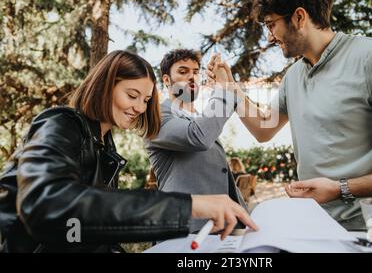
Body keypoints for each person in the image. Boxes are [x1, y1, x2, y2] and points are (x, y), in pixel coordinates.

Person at [207, 0, 372, 230]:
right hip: (315, 229)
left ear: (299, 17)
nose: (269, 37)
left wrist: (341, 189)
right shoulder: (294, 76)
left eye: (271, 24)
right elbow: (264, 128)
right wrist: (231, 88)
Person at [0, 50, 257, 253]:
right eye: (132, 95)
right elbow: (48, 204)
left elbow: (94, 227)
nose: (139, 107)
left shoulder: (106, 147)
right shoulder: (60, 123)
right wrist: (189, 206)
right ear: (104, 85)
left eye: (145, 100)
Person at [145, 49, 248, 233]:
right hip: (185, 228)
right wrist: (222, 89)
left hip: (223, 225)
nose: (192, 77)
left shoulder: (199, 118)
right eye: (183, 72)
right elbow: (198, 137)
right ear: (167, 80)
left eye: (195, 71)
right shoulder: (157, 117)